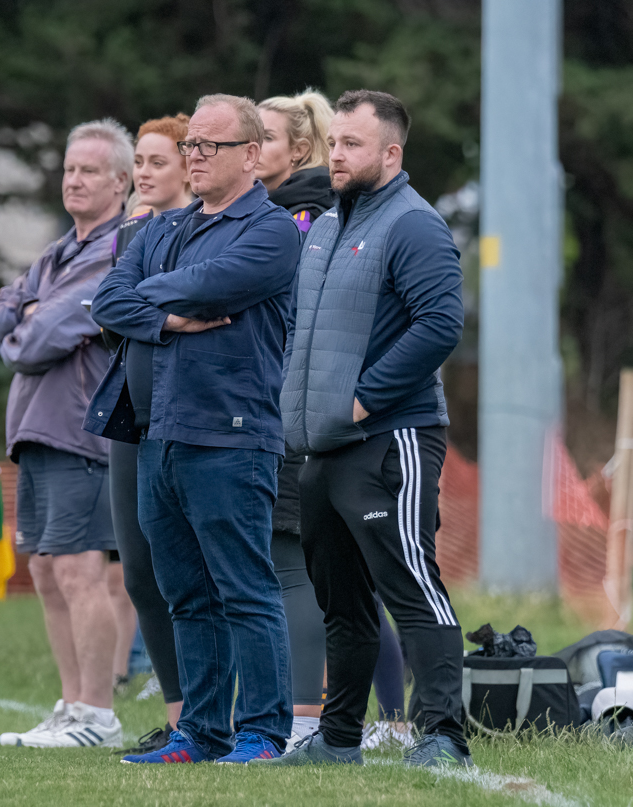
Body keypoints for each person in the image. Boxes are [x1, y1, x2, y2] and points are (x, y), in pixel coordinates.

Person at [255, 90, 470, 768]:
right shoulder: (323, 226)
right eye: (336, 141)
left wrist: (361, 401)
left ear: (390, 152)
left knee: (410, 583)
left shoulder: (414, 224)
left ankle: (441, 733)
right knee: (340, 601)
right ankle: (339, 737)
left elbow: (439, 325)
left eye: (352, 144)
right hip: (322, 446)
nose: (337, 153)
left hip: (391, 436)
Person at [85, 94, 301, 764]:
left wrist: (152, 296)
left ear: (251, 154)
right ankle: (201, 731)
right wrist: (170, 316)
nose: (195, 156)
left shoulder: (270, 232)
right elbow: (110, 299)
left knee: (244, 586)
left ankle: (263, 732)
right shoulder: (161, 229)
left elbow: (213, 282)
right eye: (192, 146)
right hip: (160, 434)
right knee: (185, 593)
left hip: (231, 436)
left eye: (209, 146)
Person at [257, 89, 411, 751]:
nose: (246, 146)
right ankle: (374, 716)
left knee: (350, 575)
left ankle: (370, 716)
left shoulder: (312, 215)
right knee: (341, 579)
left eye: (259, 136)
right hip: (295, 415)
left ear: (299, 148)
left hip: (337, 423)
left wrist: (349, 400)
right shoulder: (289, 214)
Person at [0, 118, 134, 749]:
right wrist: (27, 315)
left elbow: (34, 340)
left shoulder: (120, 247)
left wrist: (31, 319)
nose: (74, 179)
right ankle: (71, 706)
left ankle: (98, 712)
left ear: (121, 182)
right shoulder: (55, 252)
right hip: (34, 431)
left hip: (80, 431)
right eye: (70, 169)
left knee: (79, 570)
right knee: (45, 570)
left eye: (89, 170)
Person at [106, 113, 192, 752]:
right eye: (138, 160)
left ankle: (227, 713)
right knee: (140, 572)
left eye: (156, 161)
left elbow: (151, 303)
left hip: (199, 418)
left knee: (200, 573)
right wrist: (156, 311)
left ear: (193, 163)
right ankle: (181, 716)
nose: (142, 173)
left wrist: (145, 307)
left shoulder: (213, 230)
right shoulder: (134, 231)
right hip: (132, 419)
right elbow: (110, 309)